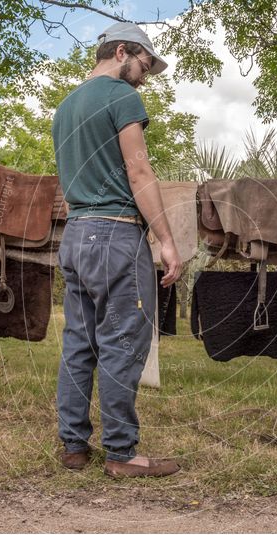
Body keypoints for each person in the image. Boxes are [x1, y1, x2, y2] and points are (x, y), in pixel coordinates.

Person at [52, 23, 182, 478]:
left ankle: (73, 446)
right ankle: (122, 453)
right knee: (123, 343)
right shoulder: (121, 96)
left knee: (78, 343)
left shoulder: (65, 107)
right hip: (115, 234)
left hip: (75, 235)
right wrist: (166, 240)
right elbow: (139, 169)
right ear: (122, 51)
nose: (145, 75)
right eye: (144, 64)